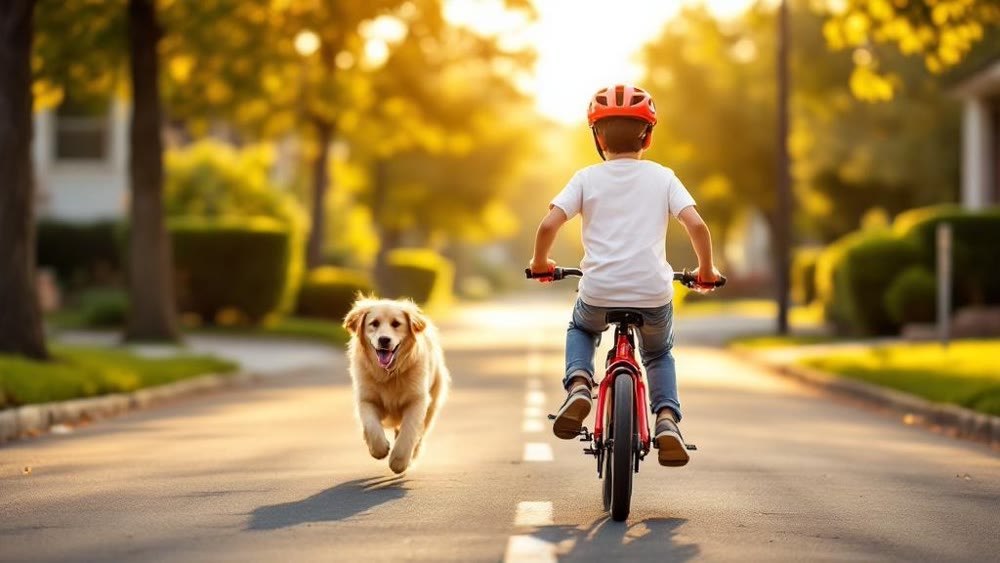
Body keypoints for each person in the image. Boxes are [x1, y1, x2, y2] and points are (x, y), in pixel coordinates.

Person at [528, 84, 721, 467]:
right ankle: (666, 419)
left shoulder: (585, 178)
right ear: (647, 136)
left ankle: (579, 385)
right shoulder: (663, 177)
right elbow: (697, 226)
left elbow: (549, 224)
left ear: (597, 137)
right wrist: (706, 270)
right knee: (658, 353)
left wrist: (540, 262)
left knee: (581, 329)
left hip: (598, 292)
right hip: (652, 295)